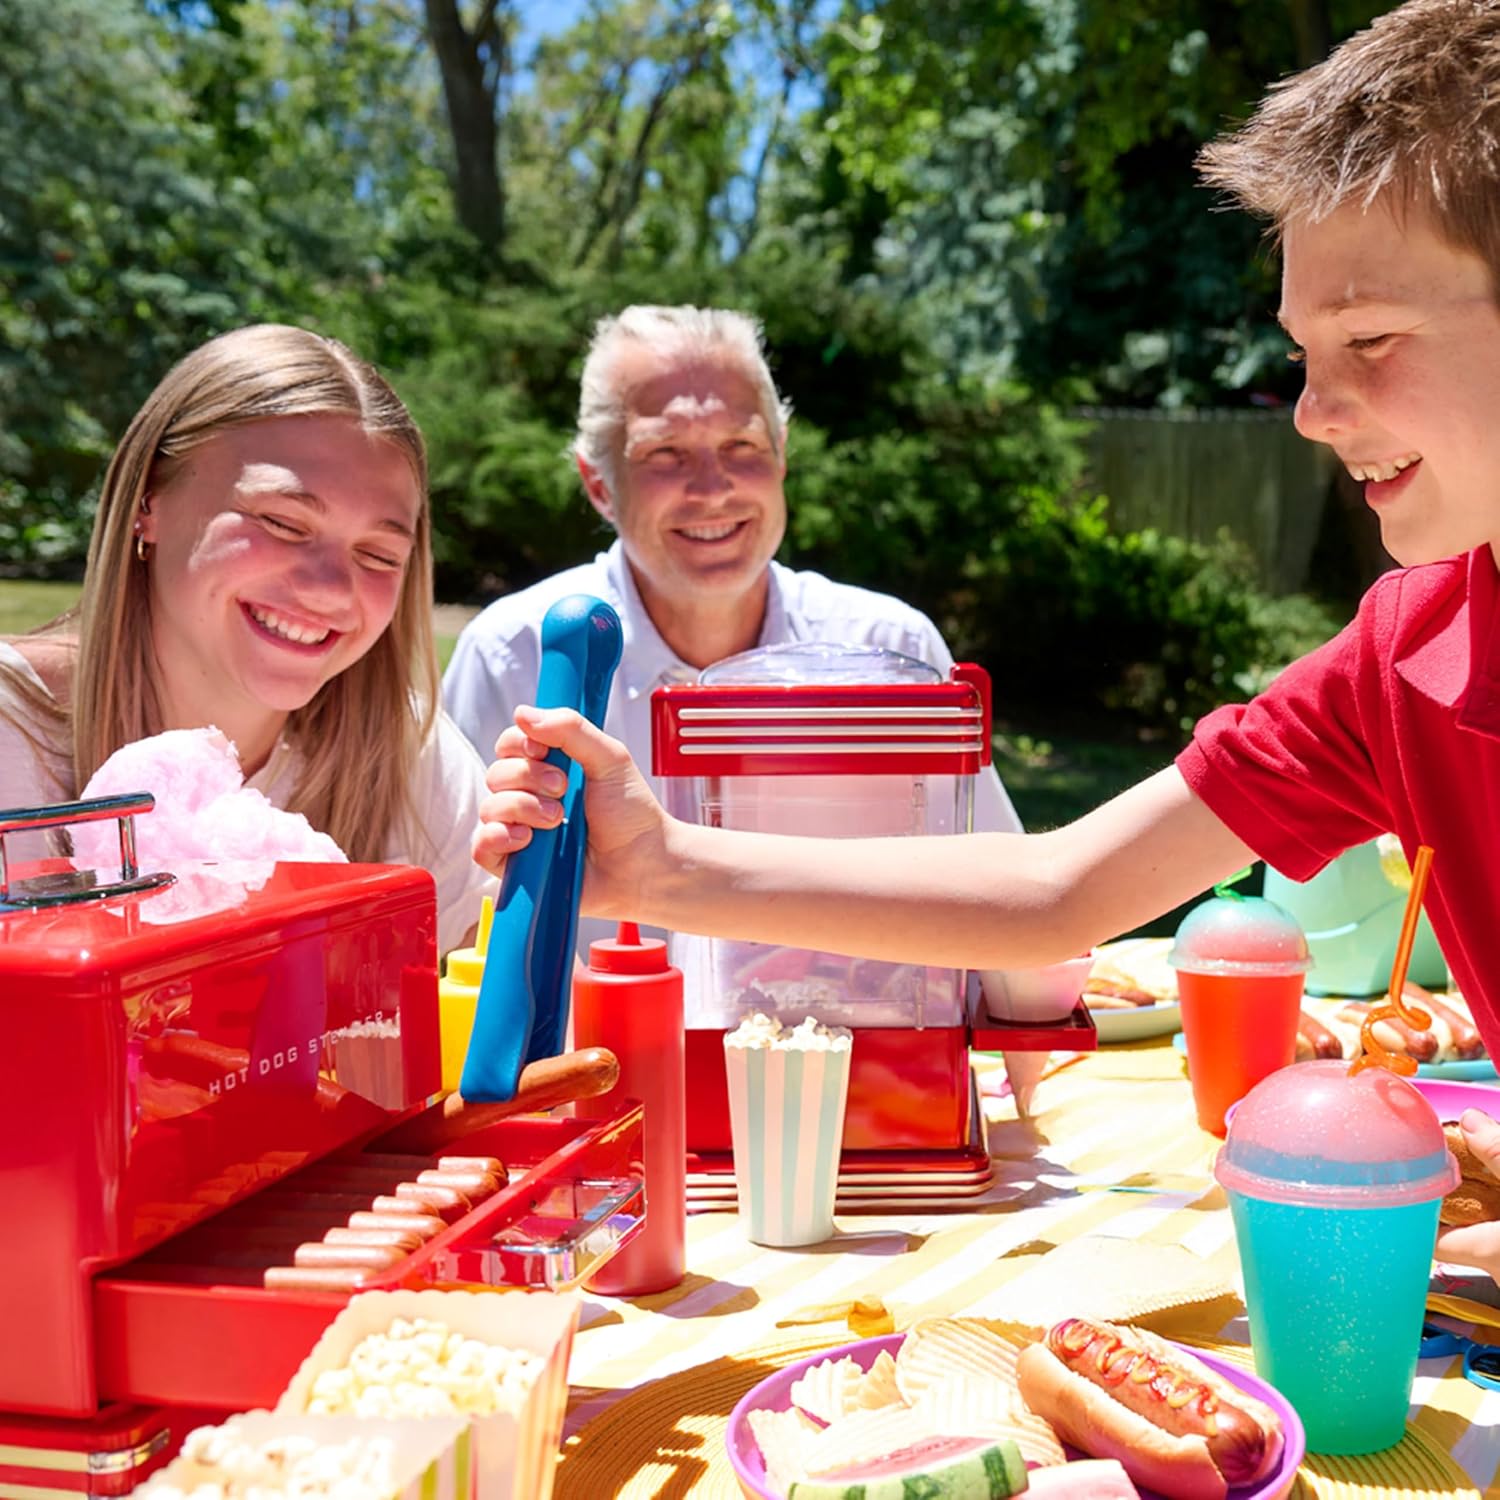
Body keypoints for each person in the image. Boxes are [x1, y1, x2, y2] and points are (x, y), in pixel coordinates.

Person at [473, 0, 1500, 1279]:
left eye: (1373, 340)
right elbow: (1061, 890)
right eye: (1302, 350)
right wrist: (661, 864)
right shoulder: (1406, 650)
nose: (1310, 411)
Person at [0, 324, 492, 955]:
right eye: (283, 522)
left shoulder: (411, 764)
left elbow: (515, 1019)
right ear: (148, 501)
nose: (330, 589)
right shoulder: (14, 745)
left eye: (377, 554)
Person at [442, 303, 1021, 837]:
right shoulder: (514, 657)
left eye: (741, 445)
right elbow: (459, 912)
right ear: (599, 484)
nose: (713, 489)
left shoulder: (894, 652)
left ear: (781, 454)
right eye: (665, 453)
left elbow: (996, 894)